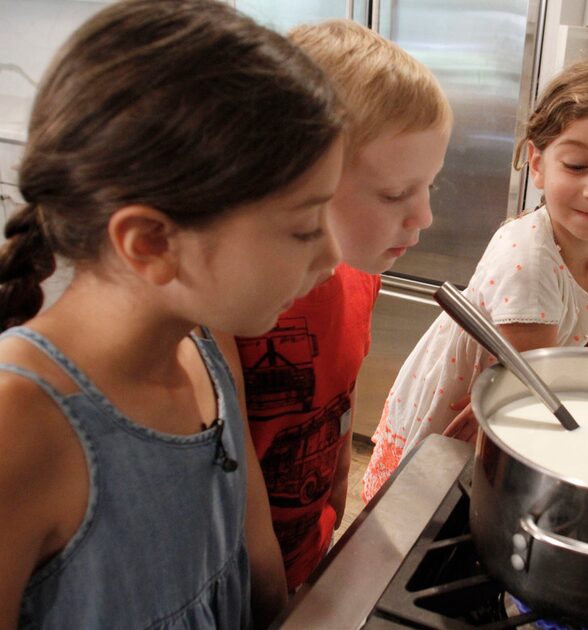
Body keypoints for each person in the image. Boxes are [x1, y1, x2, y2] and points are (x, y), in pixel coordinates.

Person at [0, 1, 344, 627]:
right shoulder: (19, 423)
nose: (334, 253)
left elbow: (253, 566)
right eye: (303, 228)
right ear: (153, 243)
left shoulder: (205, 351)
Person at [362, 53, 588, 502]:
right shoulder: (528, 259)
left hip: (534, 396)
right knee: (427, 505)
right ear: (537, 163)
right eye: (576, 165)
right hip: (483, 404)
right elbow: (530, 393)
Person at [232, 19, 452, 592]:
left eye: (430, 185)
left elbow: (340, 394)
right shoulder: (234, 308)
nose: (424, 217)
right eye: (394, 193)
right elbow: (238, 489)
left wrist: (336, 496)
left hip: (310, 547)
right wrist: (273, 600)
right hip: (245, 584)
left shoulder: (359, 272)